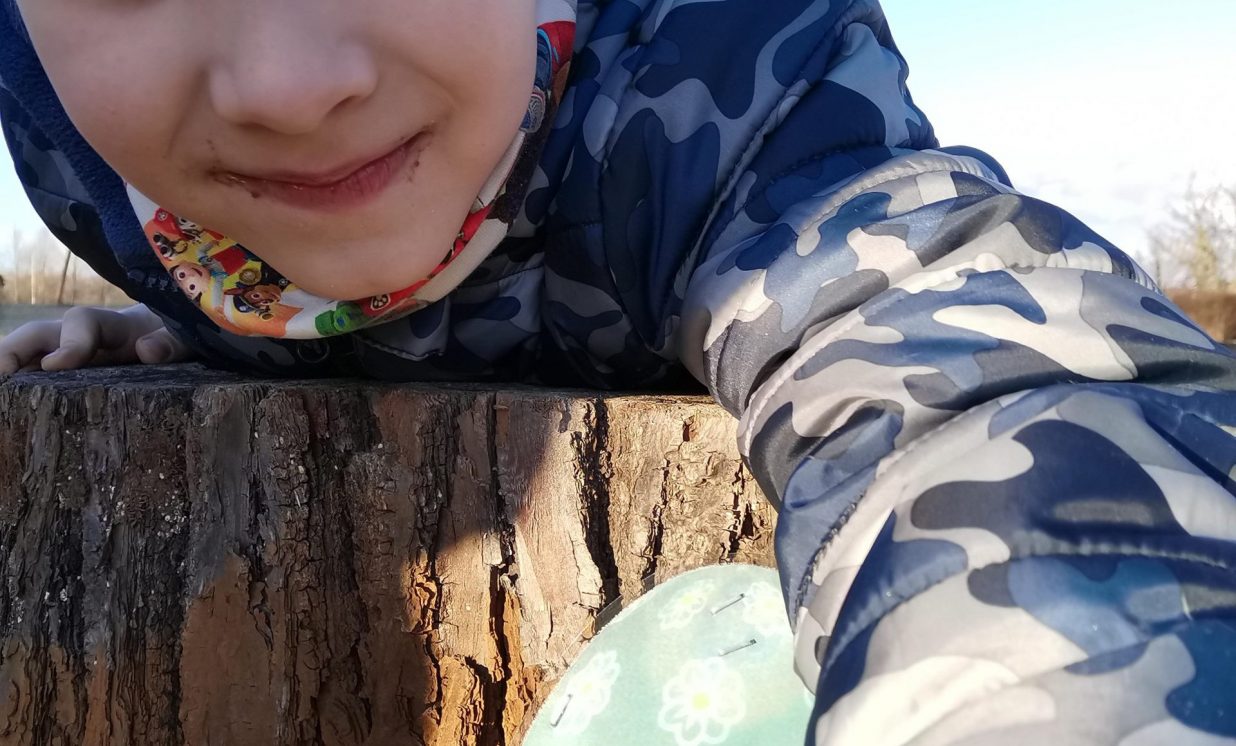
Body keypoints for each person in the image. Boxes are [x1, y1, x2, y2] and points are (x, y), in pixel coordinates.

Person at [2, 0, 1235, 743]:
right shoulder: (67, 133)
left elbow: (972, 368)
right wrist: (196, 320)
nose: (287, 87)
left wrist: (1049, 687)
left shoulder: (733, 91)